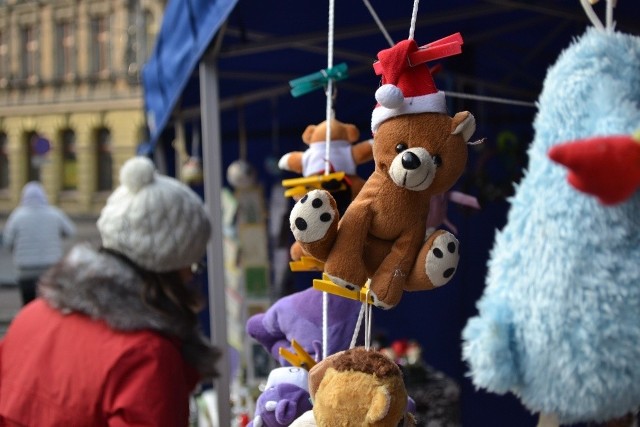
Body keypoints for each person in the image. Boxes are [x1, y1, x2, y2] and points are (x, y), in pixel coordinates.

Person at [0, 156, 220, 426]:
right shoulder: (147, 355)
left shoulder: (32, 316)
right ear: (170, 264)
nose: (191, 276)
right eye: (193, 264)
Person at [2, 181, 76, 305]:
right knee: (50, 306)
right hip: (51, 270)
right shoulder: (54, 214)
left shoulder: (17, 216)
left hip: (26, 271)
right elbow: (71, 231)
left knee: (28, 306)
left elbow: (7, 241)